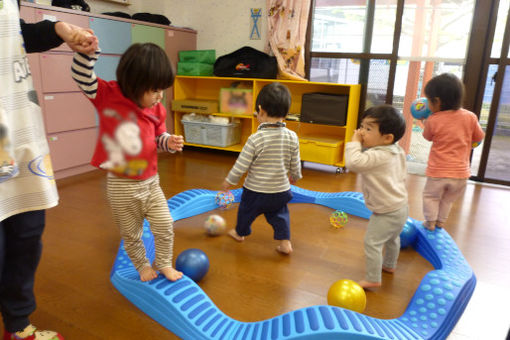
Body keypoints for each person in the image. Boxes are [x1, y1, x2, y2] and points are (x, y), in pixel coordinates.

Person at [0, 0, 98, 339]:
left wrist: (59, 28)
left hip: (17, 127)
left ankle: (17, 323)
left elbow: (13, 35)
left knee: (27, 232)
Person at [71, 42, 184, 282]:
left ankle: (163, 263)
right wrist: (88, 52)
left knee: (165, 225)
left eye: (162, 90)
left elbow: (158, 137)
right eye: (154, 90)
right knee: (131, 234)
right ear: (133, 83)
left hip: (151, 183)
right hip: (122, 187)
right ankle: (142, 266)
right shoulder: (107, 95)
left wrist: (168, 142)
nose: (160, 97)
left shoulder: (157, 108)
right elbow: (81, 76)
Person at [222, 82, 302, 255]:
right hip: (281, 190)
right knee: (280, 215)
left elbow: (241, 164)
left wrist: (230, 180)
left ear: (261, 110)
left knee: (246, 211)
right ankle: (285, 243)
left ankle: (239, 233)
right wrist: (295, 176)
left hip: (256, 191)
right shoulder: (292, 137)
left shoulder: (255, 139)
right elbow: (295, 162)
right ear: (286, 112)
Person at [345, 104, 408, 289]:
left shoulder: (378, 155)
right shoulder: (397, 150)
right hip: (400, 207)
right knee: (392, 238)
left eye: (368, 129)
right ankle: (389, 265)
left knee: (372, 242)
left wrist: (354, 143)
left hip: (386, 211)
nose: (362, 132)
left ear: (387, 138)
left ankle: (373, 278)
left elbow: (353, 163)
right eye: (362, 126)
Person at [420, 73, 485, 231]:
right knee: (447, 200)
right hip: (461, 173)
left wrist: (424, 122)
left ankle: (430, 222)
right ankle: (441, 222)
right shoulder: (470, 117)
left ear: (438, 101)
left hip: (438, 172)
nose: (427, 104)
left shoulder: (434, 119)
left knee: (431, 196)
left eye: (428, 100)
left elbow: (427, 137)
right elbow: (479, 136)